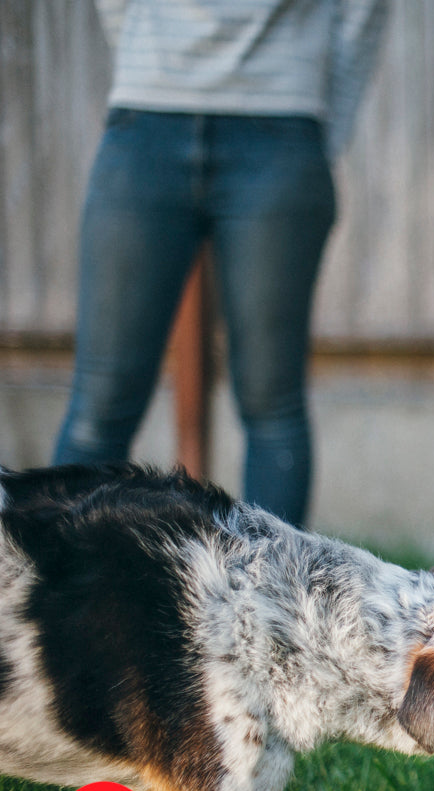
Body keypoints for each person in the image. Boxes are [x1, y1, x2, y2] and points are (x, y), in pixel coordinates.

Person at [53, 0, 389, 527]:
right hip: (150, 119)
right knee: (100, 408)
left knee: (271, 407)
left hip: (280, 124)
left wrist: (318, 127)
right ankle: (51, 603)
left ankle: (277, 608)